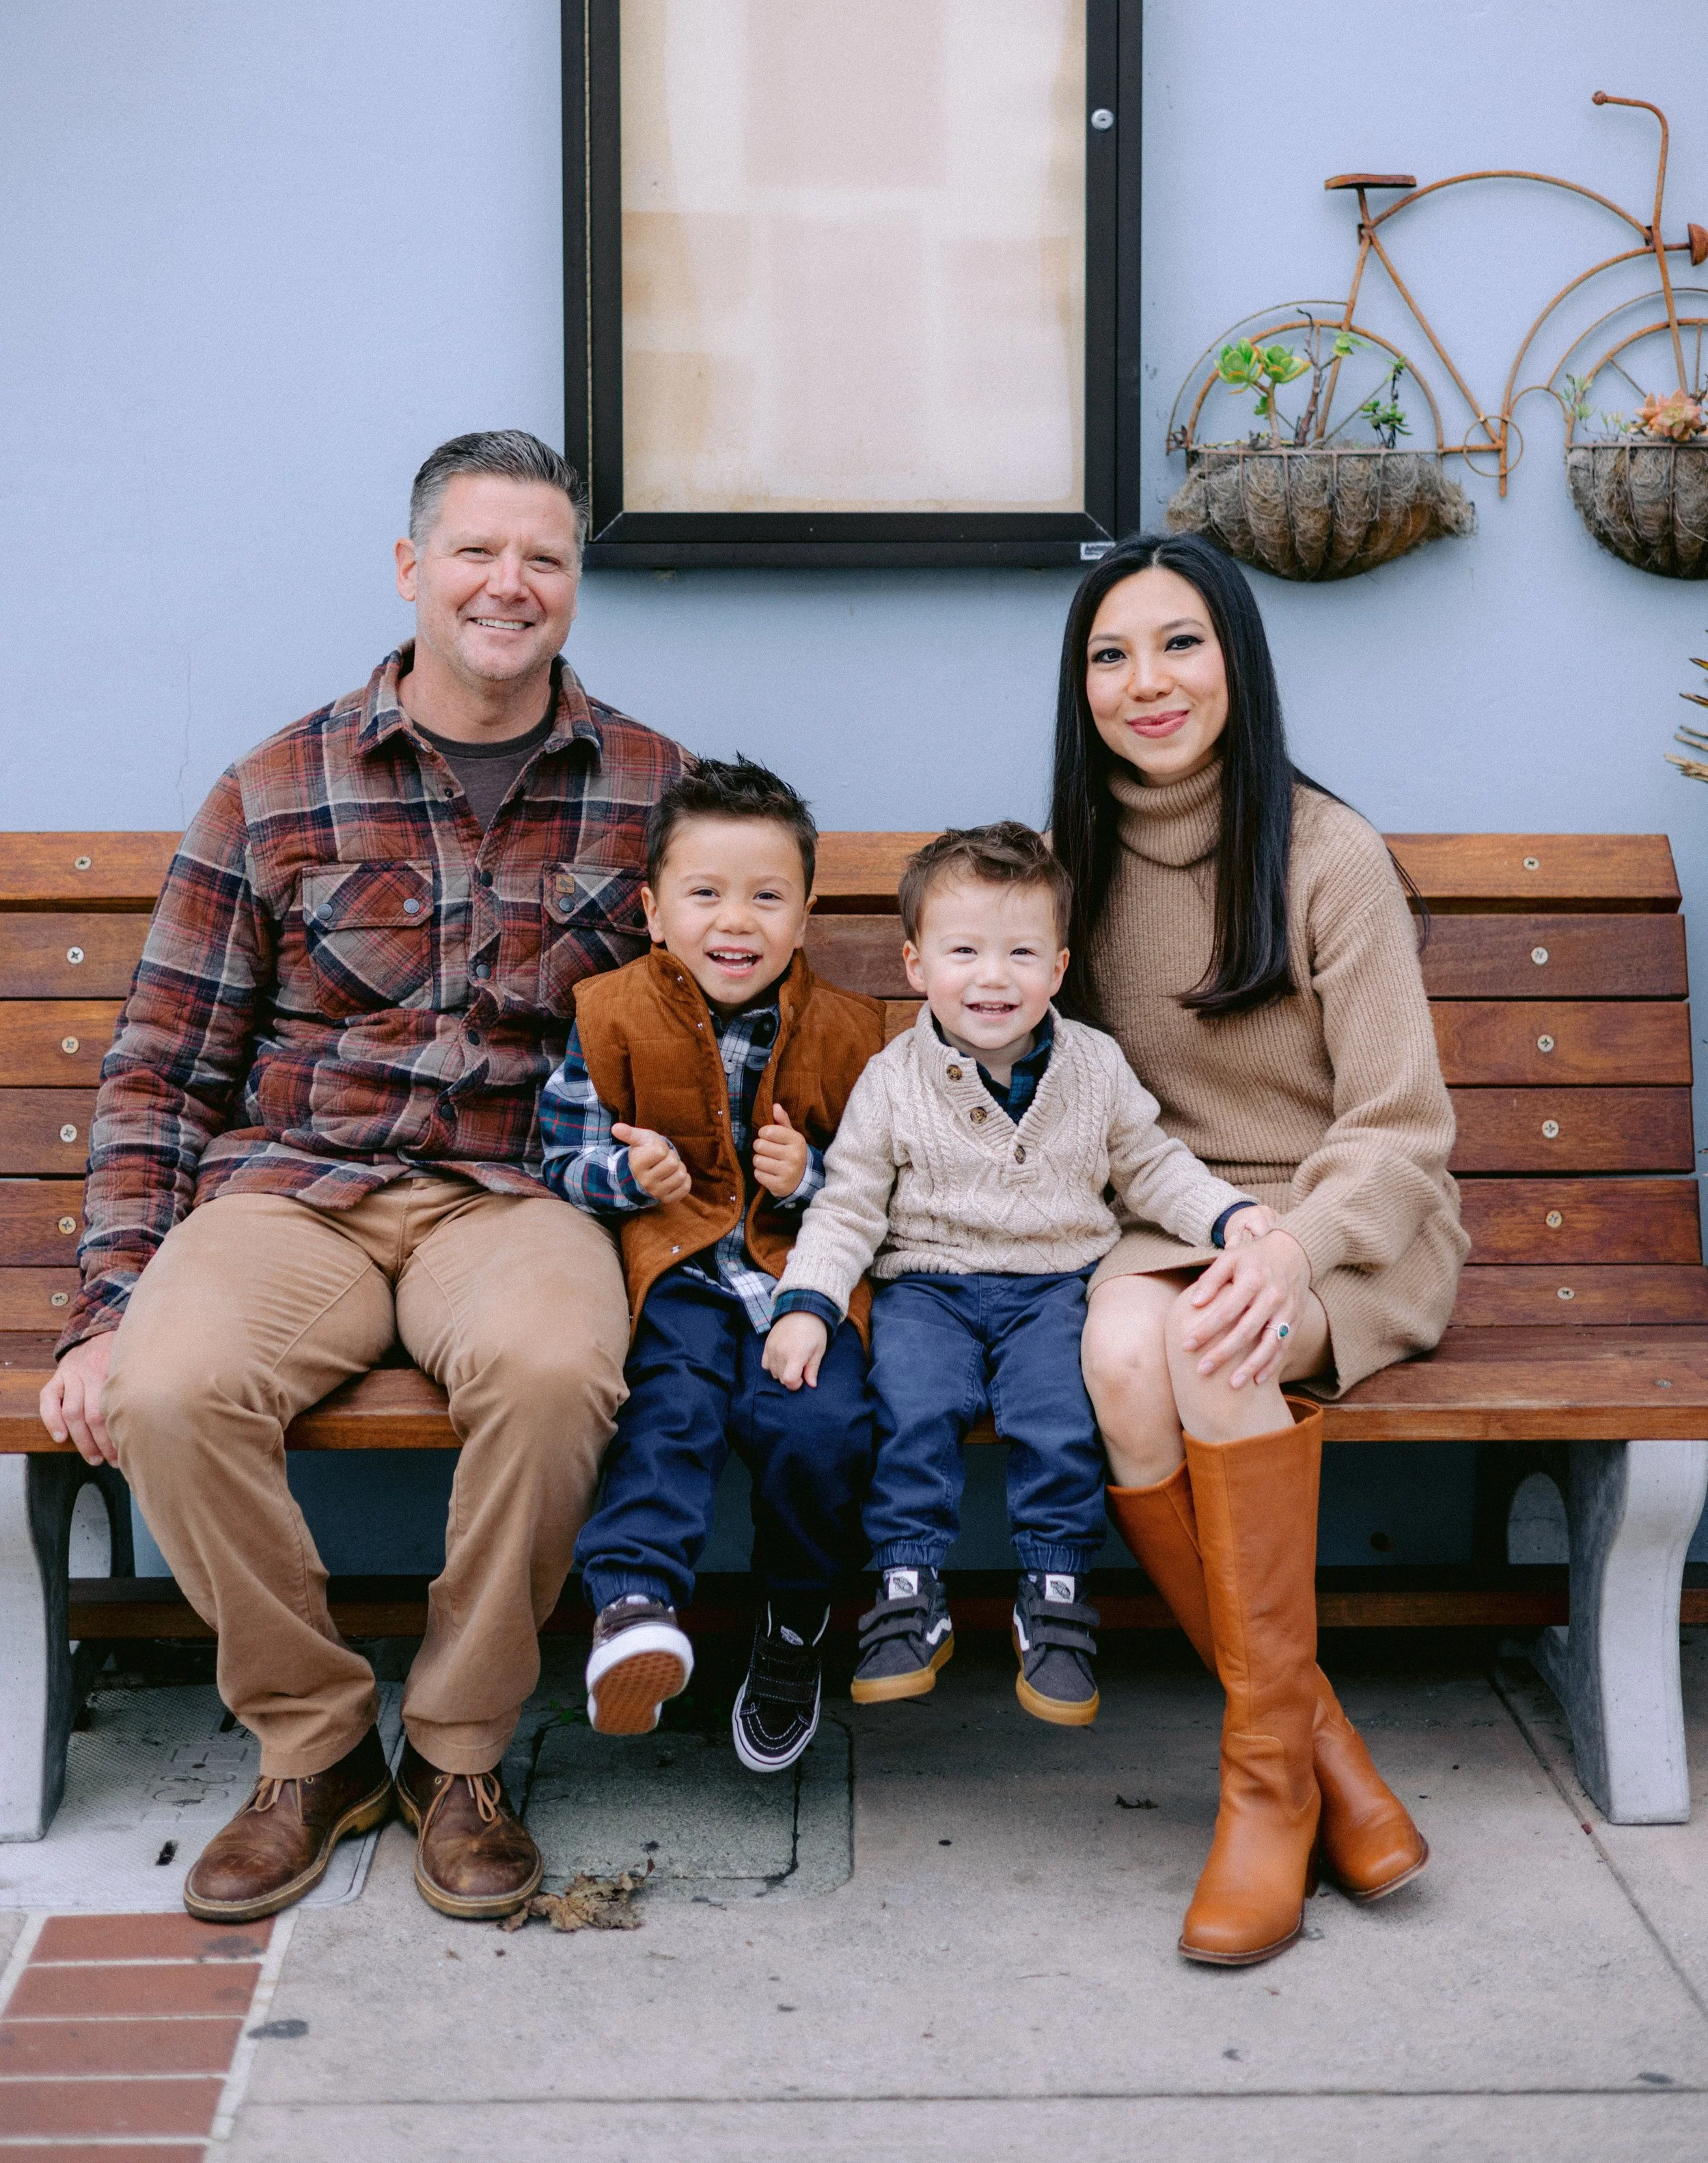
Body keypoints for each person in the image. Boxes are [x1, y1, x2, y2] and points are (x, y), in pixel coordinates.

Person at [38, 430, 689, 1926]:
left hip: (518, 1192)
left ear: (573, 584)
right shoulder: (275, 787)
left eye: (542, 557)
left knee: (555, 1372)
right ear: (411, 569)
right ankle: (314, 1745)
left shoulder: (654, 786)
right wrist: (107, 1304)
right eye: (475, 551)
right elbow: (161, 1068)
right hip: (294, 1189)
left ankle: (459, 1752)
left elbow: (714, 1014)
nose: (508, 584)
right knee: (166, 1385)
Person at [1051, 530, 1468, 1966]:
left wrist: (1291, 1247)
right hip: (1171, 1215)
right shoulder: (1072, 862)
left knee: (1210, 1343)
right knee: (1122, 1355)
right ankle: (1317, 1755)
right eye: (1111, 654)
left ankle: (1261, 1792)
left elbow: (1402, 1128)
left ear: (1237, 659)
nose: (1146, 681)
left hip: (1350, 1224)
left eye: (1180, 643)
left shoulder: (1328, 854)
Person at [771, 823, 1272, 1731]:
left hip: (1053, 1287)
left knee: (1058, 1420)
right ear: (917, 964)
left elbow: (1151, 1165)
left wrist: (1227, 1215)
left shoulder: (1094, 1066)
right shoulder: (892, 1079)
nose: (993, 977)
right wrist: (808, 1303)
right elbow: (846, 1206)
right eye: (964, 951)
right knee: (912, 1406)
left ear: (1059, 967)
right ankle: (907, 1588)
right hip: (927, 1288)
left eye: (1021, 953)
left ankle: (1056, 1594)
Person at [542, 758, 883, 1774]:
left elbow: (888, 1181)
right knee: (670, 1409)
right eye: (705, 893)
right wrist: (625, 1175)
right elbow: (559, 1157)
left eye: (767, 897)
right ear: (653, 913)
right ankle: (633, 1607)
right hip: (680, 1274)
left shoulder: (850, 1031)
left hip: (803, 1286)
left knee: (819, 1427)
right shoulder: (608, 1014)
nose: (736, 921)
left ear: (806, 917)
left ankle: (794, 1625)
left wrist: (811, 1175)